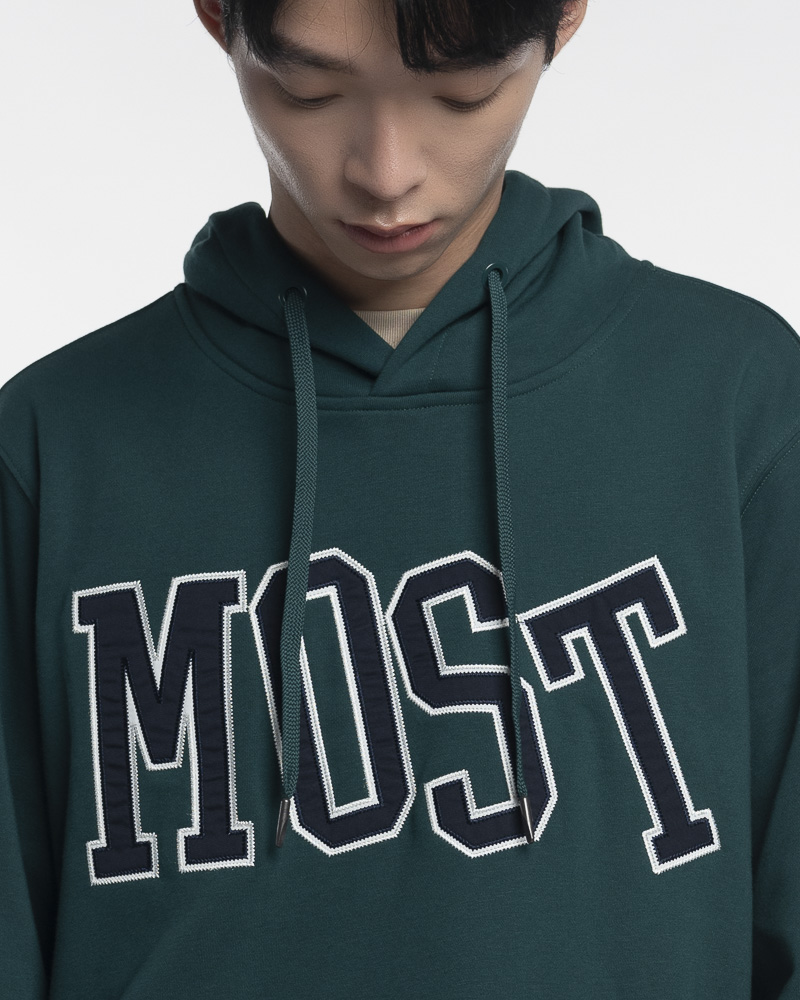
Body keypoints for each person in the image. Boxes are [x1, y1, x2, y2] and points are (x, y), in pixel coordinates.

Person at [1, 0, 798, 996]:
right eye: (309, 90)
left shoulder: (737, 405)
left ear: (563, 17)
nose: (385, 173)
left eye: (461, 95)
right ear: (215, 16)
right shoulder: (51, 446)